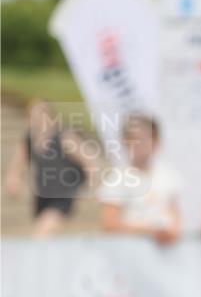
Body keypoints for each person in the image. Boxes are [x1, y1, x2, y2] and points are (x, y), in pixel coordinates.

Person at [5, 99, 93, 236]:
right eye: (34, 115)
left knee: (42, 232)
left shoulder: (64, 137)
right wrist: (14, 180)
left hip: (63, 194)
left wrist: (90, 185)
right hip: (42, 194)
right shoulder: (30, 139)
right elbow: (18, 163)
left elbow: (88, 160)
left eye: (42, 114)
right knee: (47, 234)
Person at [98, 114, 182, 245]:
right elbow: (110, 225)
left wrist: (172, 232)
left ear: (156, 142)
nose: (140, 145)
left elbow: (175, 215)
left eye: (146, 139)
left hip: (166, 256)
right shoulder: (117, 179)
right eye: (135, 140)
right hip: (131, 254)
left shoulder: (169, 176)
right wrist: (150, 231)